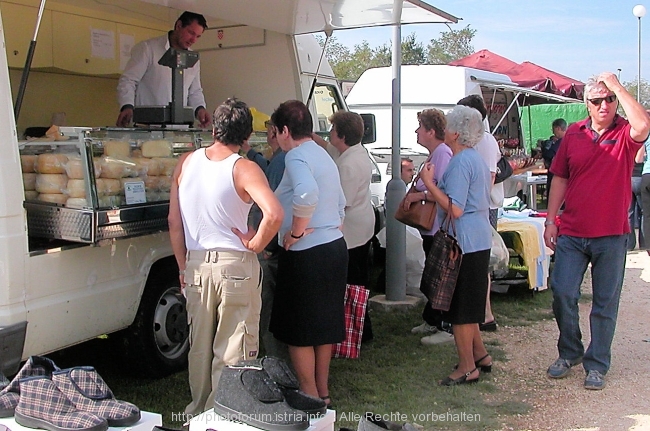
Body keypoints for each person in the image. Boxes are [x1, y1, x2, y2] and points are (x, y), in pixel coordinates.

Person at [168, 98, 283, 416]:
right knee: (233, 349)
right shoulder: (244, 168)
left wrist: (182, 266)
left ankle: (198, 412)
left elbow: (174, 223)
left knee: (199, 347)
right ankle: (224, 415)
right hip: (235, 263)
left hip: (196, 262)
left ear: (214, 128)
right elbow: (274, 213)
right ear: (246, 138)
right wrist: (257, 244)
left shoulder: (186, 162)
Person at [543, 72, 649, 390]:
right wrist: (550, 220)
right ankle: (570, 351)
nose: (604, 105)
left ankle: (597, 363)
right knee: (562, 292)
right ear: (586, 105)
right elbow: (560, 177)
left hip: (612, 234)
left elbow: (644, 125)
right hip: (573, 232)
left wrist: (617, 85)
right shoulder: (573, 134)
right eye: (597, 100)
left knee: (605, 302)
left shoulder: (625, 134)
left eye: (610, 100)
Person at [269, 100, 347, 407]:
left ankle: (309, 393)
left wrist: (297, 232)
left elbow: (306, 193)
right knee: (322, 326)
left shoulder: (296, 156)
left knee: (299, 329)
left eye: (274, 131)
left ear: (285, 131)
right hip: (333, 247)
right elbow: (340, 203)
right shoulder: (321, 153)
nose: (274, 137)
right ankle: (322, 390)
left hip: (305, 253)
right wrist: (328, 225)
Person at [419, 105, 493, 385]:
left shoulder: (461, 162)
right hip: (476, 238)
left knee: (461, 311)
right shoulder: (473, 158)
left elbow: (456, 208)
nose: (444, 128)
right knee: (470, 306)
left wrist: (429, 183)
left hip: (464, 241)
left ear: (457, 133)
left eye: (448, 125)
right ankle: (480, 356)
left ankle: (466, 367)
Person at [241, 119, 289, 360]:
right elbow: (264, 166)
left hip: (270, 245)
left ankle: (274, 360)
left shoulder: (282, 161)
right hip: (277, 242)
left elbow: (271, 207)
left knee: (268, 306)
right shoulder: (279, 159)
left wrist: (266, 244)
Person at [403, 109, 453, 345]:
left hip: (437, 226)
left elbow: (443, 193)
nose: (416, 131)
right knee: (432, 275)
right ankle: (433, 318)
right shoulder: (434, 154)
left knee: (438, 276)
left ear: (431, 131)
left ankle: (445, 323)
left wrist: (418, 196)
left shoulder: (442, 154)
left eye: (420, 127)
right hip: (429, 227)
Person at [116, 11, 211, 128]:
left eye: (198, 36)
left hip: (180, 130)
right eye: (191, 33)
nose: (193, 40)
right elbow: (128, 80)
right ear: (179, 26)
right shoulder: (148, 49)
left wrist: (200, 109)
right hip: (148, 128)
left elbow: (194, 91)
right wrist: (127, 106)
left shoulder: (192, 58)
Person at [457, 94, 502, 332]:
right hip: (482, 208)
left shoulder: (483, 142)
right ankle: (483, 312)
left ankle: (484, 314)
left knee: (480, 264)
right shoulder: (482, 141)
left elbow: (489, 178)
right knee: (479, 264)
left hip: (482, 209)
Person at [541, 118, 567, 199]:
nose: (553, 132)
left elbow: (549, 154)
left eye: (554, 129)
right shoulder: (570, 139)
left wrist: (545, 148)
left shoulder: (562, 141)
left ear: (558, 128)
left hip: (557, 176)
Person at [639, 134, 650, 256]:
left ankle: (648, 245)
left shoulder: (645, 137)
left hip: (646, 175)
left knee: (647, 214)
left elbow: (638, 159)